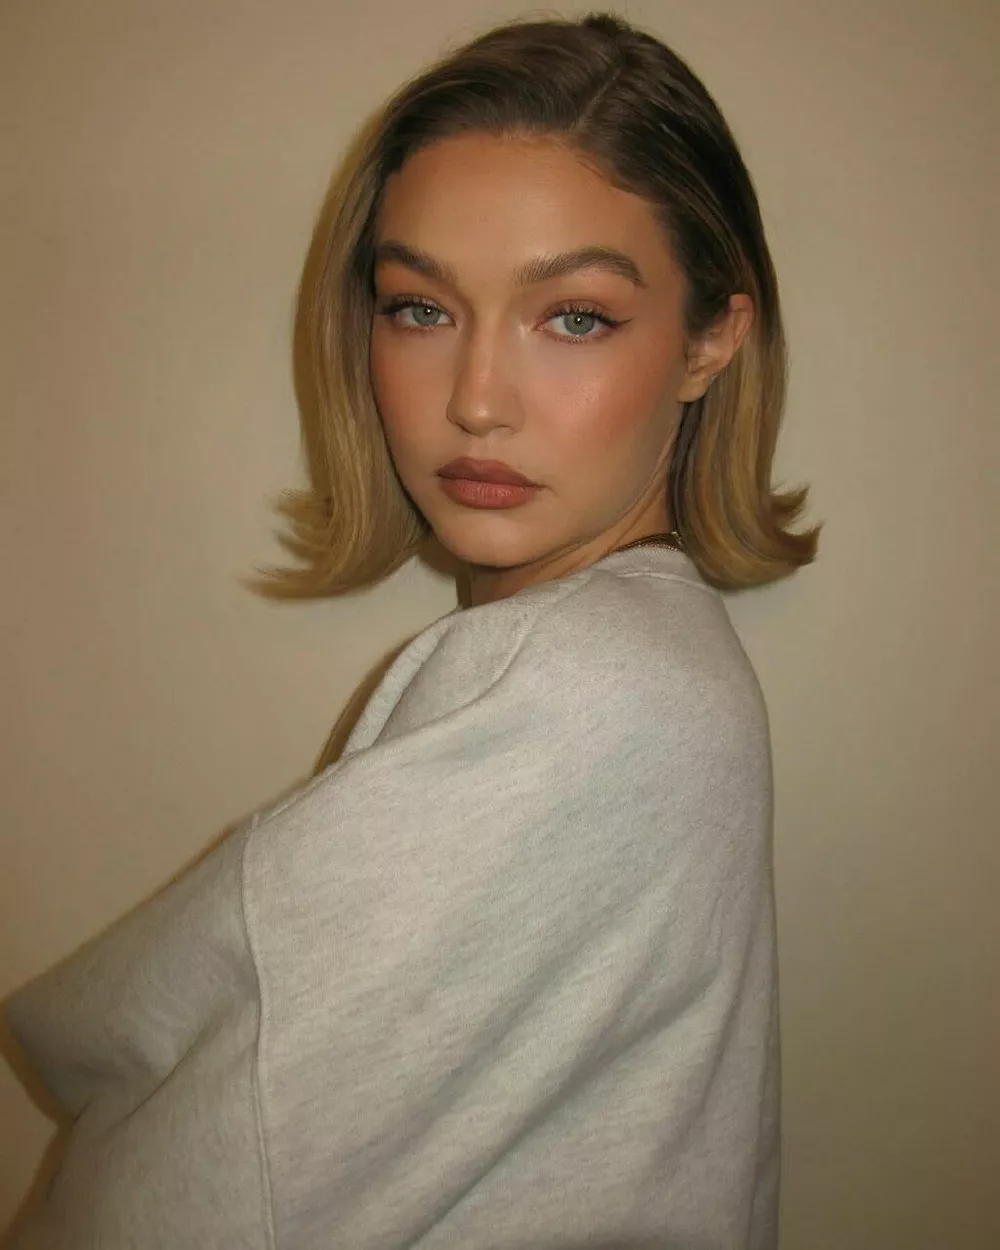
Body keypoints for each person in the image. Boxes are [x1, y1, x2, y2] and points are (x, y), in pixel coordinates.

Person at [2, 11, 818, 1249]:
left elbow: (204, 1179)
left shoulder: (590, 691)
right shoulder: (626, 663)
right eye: (420, 307)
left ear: (709, 341)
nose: (475, 401)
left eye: (575, 316)